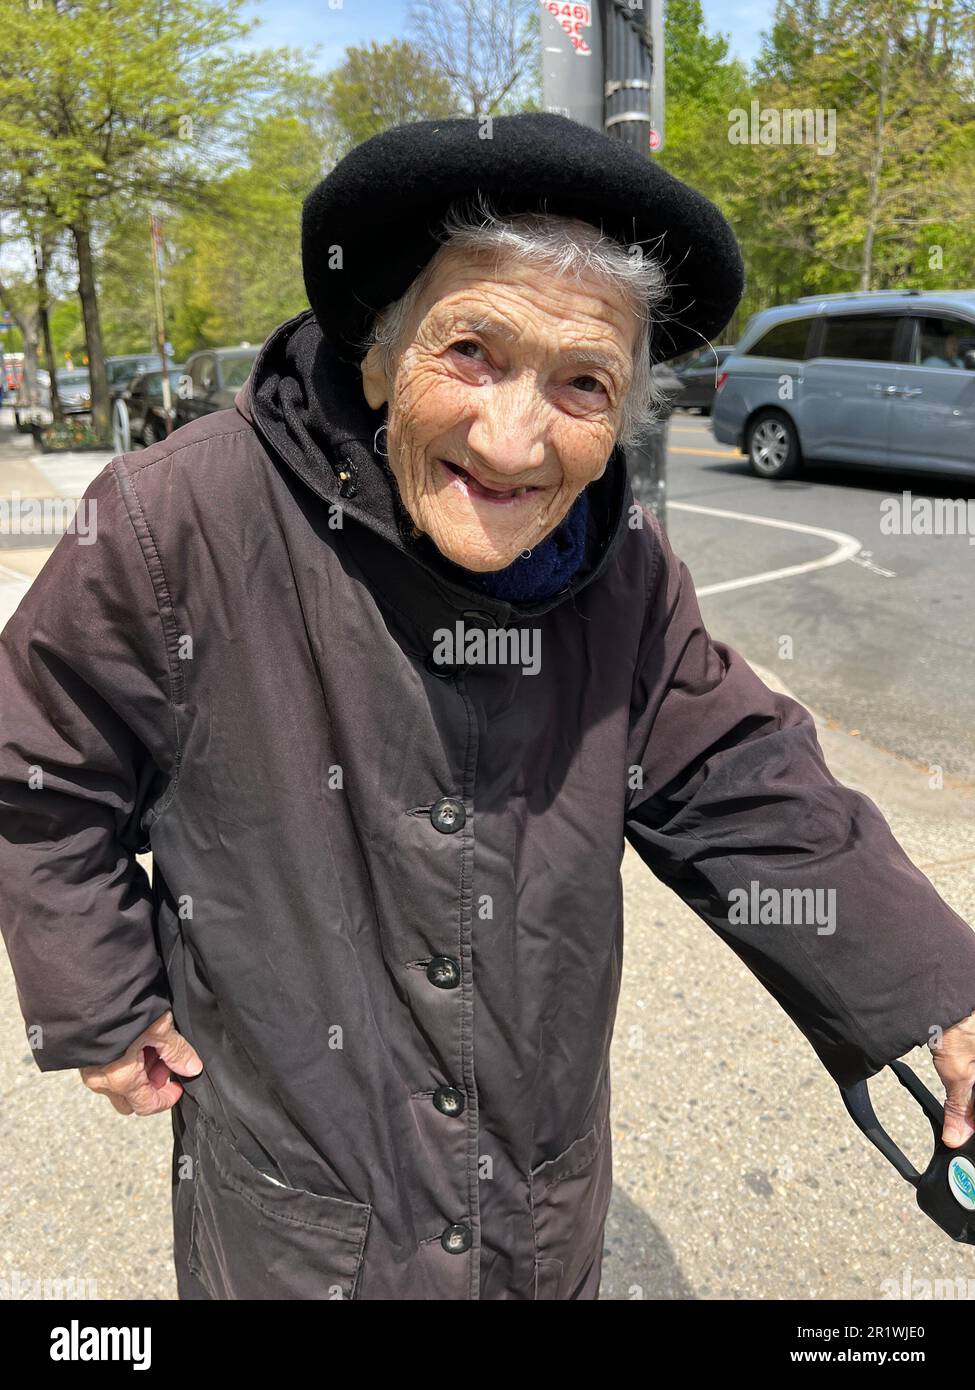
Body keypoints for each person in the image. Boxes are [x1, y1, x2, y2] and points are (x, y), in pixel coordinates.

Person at [1, 114, 973, 1302]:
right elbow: (35, 765)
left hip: (534, 1209)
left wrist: (943, 988)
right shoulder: (178, 520)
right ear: (378, 349)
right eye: (472, 352)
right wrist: (101, 999)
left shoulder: (621, 566)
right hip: (296, 1226)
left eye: (582, 382)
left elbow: (740, 778)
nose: (515, 441)